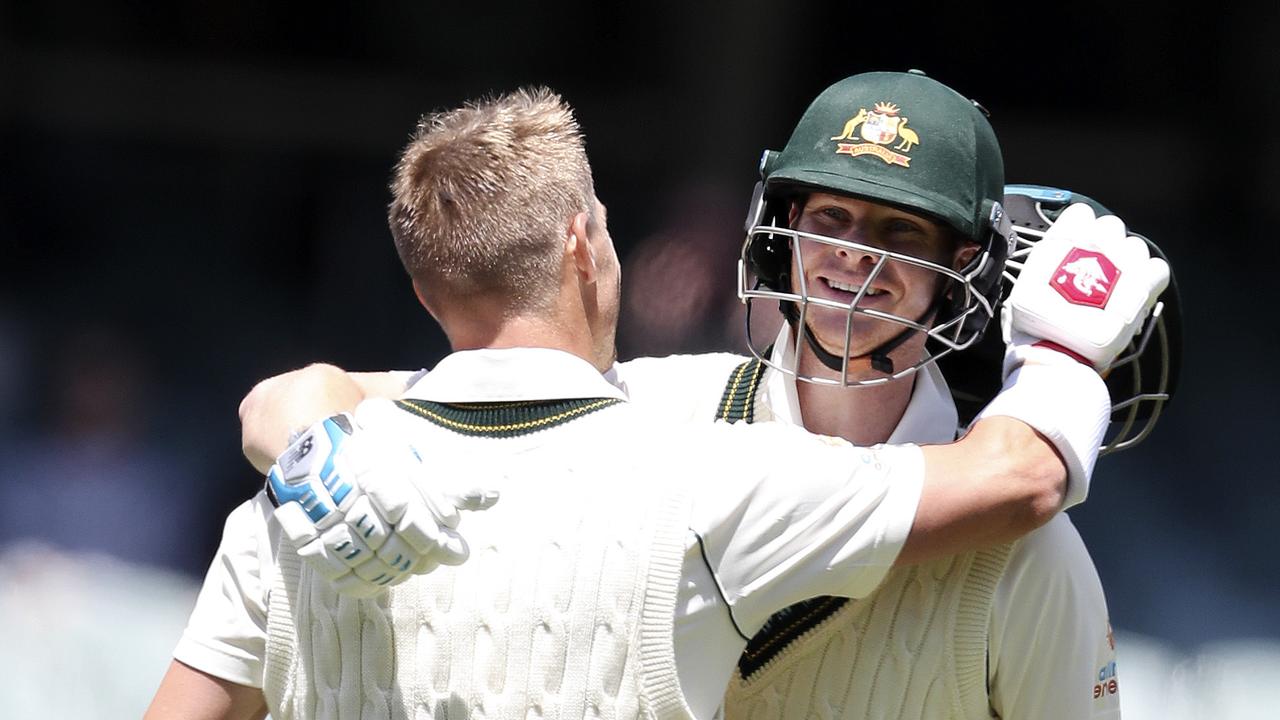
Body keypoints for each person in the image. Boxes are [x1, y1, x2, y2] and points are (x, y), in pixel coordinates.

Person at [158, 81, 1165, 720]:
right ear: (782, 231)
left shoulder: (1023, 554)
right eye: (831, 219)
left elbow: (1021, 484)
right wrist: (299, 424)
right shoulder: (662, 420)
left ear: (964, 268)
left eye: (900, 238)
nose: (853, 263)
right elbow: (448, 399)